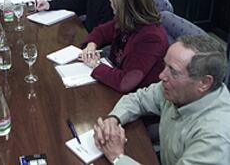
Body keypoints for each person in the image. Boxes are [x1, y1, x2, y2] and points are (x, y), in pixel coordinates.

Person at [93, 35, 230, 165]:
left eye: (173, 71)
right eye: (165, 66)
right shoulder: (176, 89)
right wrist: (114, 119)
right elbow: (139, 99)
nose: (161, 75)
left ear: (204, 83)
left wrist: (117, 157)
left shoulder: (215, 136)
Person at [80, 0, 168, 93]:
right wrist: (91, 45)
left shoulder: (151, 38)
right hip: (115, 75)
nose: (110, 0)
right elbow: (101, 31)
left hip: (138, 95)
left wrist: (95, 65)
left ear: (125, 6)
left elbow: (126, 82)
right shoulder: (127, 19)